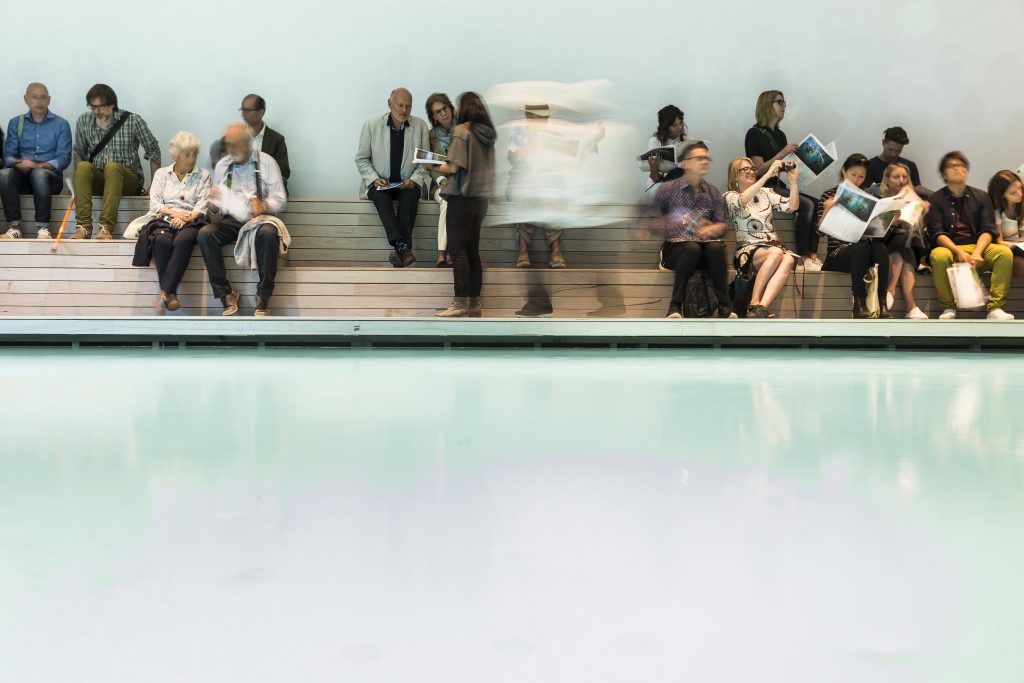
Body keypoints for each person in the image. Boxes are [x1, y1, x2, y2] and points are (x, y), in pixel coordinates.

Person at [198, 122, 288, 317]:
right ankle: (226, 294)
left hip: (260, 219)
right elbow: (217, 212)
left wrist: (264, 206)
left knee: (268, 233)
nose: (230, 149)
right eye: (228, 144)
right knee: (205, 234)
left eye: (235, 144)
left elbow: (280, 198)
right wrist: (213, 207)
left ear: (248, 143)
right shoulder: (223, 165)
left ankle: (263, 298)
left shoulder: (267, 162)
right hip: (232, 220)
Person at [429, 92, 497, 317]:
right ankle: (475, 304)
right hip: (480, 201)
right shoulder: (486, 133)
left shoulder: (462, 131)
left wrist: (432, 165)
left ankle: (458, 304)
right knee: (473, 253)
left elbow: (453, 167)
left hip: (461, 199)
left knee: (458, 253)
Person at [925, 151, 1013, 320]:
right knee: (938, 255)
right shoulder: (935, 199)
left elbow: (988, 230)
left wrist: (977, 253)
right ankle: (948, 307)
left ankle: (995, 309)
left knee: (1004, 253)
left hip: (977, 247)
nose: (958, 169)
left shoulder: (981, 196)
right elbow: (937, 234)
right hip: (950, 248)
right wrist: (959, 253)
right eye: (952, 166)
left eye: (961, 166)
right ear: (944, 174)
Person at [652, 141, 734, 319]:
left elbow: (722, 226)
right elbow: (653, 223)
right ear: (685, 163)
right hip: (677, 249)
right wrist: (674, 220)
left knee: (717, 247)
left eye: (707, 158)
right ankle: (675, 307)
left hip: (704, 251)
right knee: (691, 247)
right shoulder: (667, 189)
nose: (705, 162)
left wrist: (711, 228)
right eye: (700, 158)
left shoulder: (713, 192)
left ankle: (725, 307)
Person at [131, 132, 210, 311]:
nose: (192, 159)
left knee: (184, 239)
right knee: (161, 239)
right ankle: (170, 294)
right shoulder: (162, 174)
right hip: (164, 219)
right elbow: (156, 203)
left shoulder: (203, 175)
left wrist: (187, 218)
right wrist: (174, 214)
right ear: (176, 155)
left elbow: (202, 204)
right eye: (187, 154)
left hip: (192, 221)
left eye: (194, 154)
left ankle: (165, 293)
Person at [71, 84, 161, 240]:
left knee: (112, 167)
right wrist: (77, 185)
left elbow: (153, 150)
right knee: (83, 166)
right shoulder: (84, 121)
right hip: (99, 177)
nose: (97, 112)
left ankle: (106, 228)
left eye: (101, 107)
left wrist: (154, 185)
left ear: (112, 104)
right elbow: (79, 153)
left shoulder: (132, 120)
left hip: (128, 179)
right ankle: (83, 227)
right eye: (93, 107)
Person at [743, 90, 820, 270]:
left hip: (780, 183)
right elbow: (759, 169)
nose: (784, 106)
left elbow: (781, 167)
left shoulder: (780, 134)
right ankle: (802, 255)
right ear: (767, 106)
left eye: (784, 102)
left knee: (816, 203)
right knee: (806, 205)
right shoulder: (753, 134)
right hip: (765, 186)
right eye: (780, 102)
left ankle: (812, 255)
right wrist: (783, 153)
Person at [354, 87, 430, 267]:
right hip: (381, 183)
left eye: (408, 106)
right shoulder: (372, 125)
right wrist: (373, 178)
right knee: (379, 195)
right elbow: (362, 159)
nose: (404, 110)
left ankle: (400, 248)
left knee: (410, 197)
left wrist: (415, 180)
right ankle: (402, 247)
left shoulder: (420, 126)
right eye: (400, 105)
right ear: (390, 104)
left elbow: (425, 162)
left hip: (407, 184)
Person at [815, 154, 892, 319]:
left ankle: (882, 304)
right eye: (853, 175)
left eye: (861, 176)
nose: (857, 180)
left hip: (862, 248)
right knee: (861, 248)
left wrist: (888, 219)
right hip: (838, 253)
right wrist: (828, 209)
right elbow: (819, 232)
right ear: (844, 171)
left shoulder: (867, 197)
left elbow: (877, 234)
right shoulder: (829, 195)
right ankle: (859, 304)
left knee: (880, 248)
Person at [724, 157, 799, 318]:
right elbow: (742, 200)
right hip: (746, 251)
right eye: (745, 169)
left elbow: (792, 207)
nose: (751, 171)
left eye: (752, 169)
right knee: (777, 253)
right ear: (735, 176)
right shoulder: (730, 196)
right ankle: (754, 302)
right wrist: (766, 176)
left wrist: (793, 182)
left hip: (771, 248)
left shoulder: (766, 193)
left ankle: (761, 307)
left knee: (789, 260)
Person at [0, 82, 72, 239]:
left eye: (43, 97)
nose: (39, 101)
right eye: (34, 97)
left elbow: (64, 158)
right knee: (5, 174)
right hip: (23, 178)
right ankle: (14, 227)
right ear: (26, 99)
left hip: (50, 180)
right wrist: (18, 164)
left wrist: (40, 165)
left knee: (39, 174)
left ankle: (43, 228)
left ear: (49, 100)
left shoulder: (61, 124)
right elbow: (8, 156)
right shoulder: (16, 123)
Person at [508, 102, 567, 269]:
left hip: (549, 183)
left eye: (545, 116)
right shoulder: (519, 133)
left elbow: (565, 161)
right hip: (525, 182)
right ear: (529, 117)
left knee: (553, 200)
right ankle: (523, 252)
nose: (542, 120)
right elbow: (512, 159)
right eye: (538, 116)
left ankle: (556, 252)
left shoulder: (555, 134)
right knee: (524, 199)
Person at [877, 163, 928, 319]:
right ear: (887, 179)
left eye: (904, 177)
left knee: (905, 240)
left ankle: (890, 290)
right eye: (896, 176)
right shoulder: (878, 199)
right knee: (903, 244)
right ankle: (911, 307)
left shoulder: (914, 198)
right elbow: (875, 231)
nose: (901, 180)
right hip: (885, 243)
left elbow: (918, 230)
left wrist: (923, 213)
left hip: (910, 242)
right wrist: (891, 220)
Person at [209, 94, 290, 189]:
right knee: (224, 185)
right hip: (236, 185)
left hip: (265, 185)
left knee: (281, 182)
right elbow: (222, 166)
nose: (244, 113)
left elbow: (285, 171)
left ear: (261, 112)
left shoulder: (277, 139)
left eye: (247, 110)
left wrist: (258, 173)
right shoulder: (235, 136)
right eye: (242, 110)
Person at [425, 93, 456, 267]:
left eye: (445, 108)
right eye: (438, 112)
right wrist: (442, 180)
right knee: (447, 200)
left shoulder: (463, 131)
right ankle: (444, 252)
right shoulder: (430, 136)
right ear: (434, 117)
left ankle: (446, 252)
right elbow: (428, 166)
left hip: (461, 185)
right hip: (441, 184)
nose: (443, 113)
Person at [640, 104, 689, 196]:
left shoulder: (686, 140)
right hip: (659, 184)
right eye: (675, 125)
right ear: (666, 128)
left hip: (681, 184)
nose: (680, 127)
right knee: (678, 172)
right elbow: (656, 179)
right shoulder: (655, 141)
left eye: (681, 123)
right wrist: (654, 168)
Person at [862, 127, 927, 192]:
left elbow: (917, 193)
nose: (893, 154)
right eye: (890, 149)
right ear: (883, 142)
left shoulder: (910, 166)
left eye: (898, 151)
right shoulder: (869, 166)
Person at [988, 170, 1024, 277]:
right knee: (1021, 264)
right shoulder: (997, 213)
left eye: (1020, 188)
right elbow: (999, 241)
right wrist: (1016, 247)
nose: (1020, 194)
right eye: (1013, 193)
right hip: (1010, 250)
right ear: (1002, 195)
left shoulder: (1021, 206)